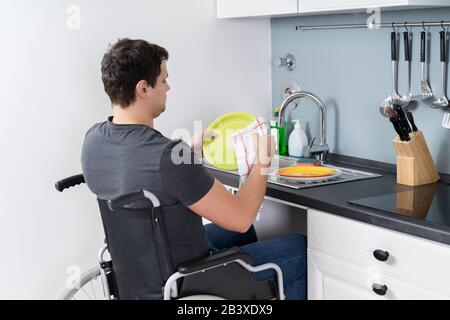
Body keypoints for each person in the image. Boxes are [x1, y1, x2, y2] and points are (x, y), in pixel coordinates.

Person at [81, 38, 306, 300]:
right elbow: (242, 218)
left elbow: (135, 167)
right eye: (163, 80)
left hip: (140, 272)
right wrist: (263, 158)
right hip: (189, 282)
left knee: (242, 234)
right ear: (143, 88)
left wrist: (185, 151)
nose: (168, 87)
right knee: (300, 248)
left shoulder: (94, 140)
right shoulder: (168, 159)